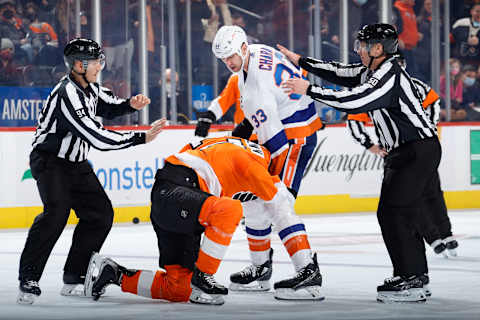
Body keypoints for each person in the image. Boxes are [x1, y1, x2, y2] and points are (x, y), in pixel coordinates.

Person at [279, 23, 440, 303]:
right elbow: (339, 72)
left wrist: (310, 90)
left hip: (417, 149)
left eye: (362, 46)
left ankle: (411, 279)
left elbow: (357, 100)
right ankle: (413, 275)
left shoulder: (389, 74)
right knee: (394, 213)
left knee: (396, 212)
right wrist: (301, 61)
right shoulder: (372, 71)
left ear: (378, 49)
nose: (358, 50)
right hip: (407, 151)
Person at [84, 136, 324, 305]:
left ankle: (114, 274)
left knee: (178, 288)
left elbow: (256, 212)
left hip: (175, 200)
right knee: (229, 210)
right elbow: (281, 208)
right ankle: (204, 277)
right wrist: (306, 264)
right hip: (180, 190)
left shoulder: (230, 145)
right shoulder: (256, 164)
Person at [17, 38, 167, 305]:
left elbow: (108, 105)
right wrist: (140, 138)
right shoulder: (66, 94)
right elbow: (96, 136)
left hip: (76, 164)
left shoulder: (91, 89)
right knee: (56, 213)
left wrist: (129, 105)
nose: (100, 65)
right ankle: (29, 278)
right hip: (50, 162)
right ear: (78, 64)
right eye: (96, 61)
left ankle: (74, 275)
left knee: (100, 215)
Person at [195, 25, 324, 291]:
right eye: (224, 59)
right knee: (253, 201)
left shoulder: (256, 91)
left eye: (231, 56)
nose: (228, 62)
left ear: (242, 48)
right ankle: (261, 266)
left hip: (293, 139)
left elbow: (276, 145)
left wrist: (267, 182)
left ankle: (307, 270)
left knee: (278, 202)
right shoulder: (255, 50)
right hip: (291, 123)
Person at [346, 52, 459, 265]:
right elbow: (434, 102)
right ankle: (442, 234)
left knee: (409, 197)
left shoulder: (374, 88)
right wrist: (427, 129)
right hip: (420, 149)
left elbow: (354, 121)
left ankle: (437, 236)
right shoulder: (412, 85)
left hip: (401, 152)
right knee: (429, 193)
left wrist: (369, 144)